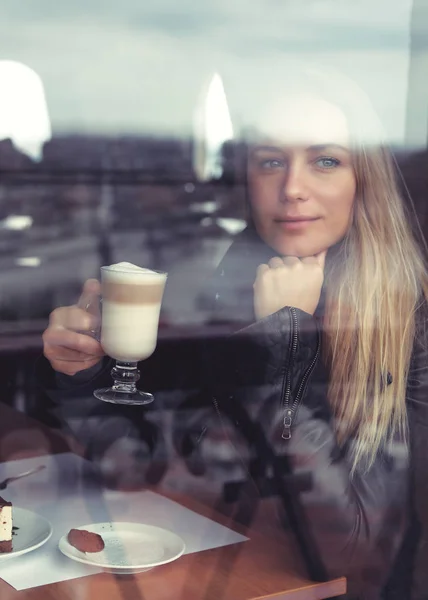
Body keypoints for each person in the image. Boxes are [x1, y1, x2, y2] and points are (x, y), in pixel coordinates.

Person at [37, 63, 428, 599]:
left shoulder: (409, 320)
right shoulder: (231, 284)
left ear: (364, 183)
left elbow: (349, 555)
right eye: (271, 161)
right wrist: (84, 375)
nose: (292, 188)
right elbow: (136, 466)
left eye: (325, 161)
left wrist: (284, 336)